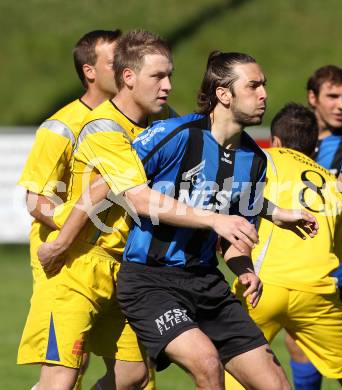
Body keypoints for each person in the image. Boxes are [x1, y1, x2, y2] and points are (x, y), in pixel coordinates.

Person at [36, 32, 267, 390]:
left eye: (170, 75)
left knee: (134, 376)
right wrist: (60, 243)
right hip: (78, 267)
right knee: (63, 375)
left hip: (126, 264)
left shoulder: (162, 122)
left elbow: (212, 187)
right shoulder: (101, 127)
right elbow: (105, 192)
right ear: (128, 77)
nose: (169, 85)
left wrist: (273, 211)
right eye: (159, 76)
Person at [114, 52, 320, 390]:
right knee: (207, 363)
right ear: (223, 94)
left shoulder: (255, 160)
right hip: (150, 281)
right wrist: (213, 220)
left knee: (277, 384)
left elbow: (234, 235)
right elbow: (131, 193)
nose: (264, 94)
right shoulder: (175, 134)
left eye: (264, 85)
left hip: (206, 283)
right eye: (253, 86)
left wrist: (244, 269)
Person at [17, 29, 121, 390]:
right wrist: (77, 221)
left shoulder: (138, 120)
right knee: (67, 371)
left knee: (134, 376)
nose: (126, 68)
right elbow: (36, 200)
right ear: (90, 71)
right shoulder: (61, 126)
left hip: (119, 260)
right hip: (67, 262)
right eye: (115, 61)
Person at [225, 103, 342, 390]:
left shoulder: (262, 160)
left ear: (276, 141)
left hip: (261, 287)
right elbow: (336, 249)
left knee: (234, 372)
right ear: (315, 148)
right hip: (317, 291)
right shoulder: (335, 185)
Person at [285, 65, 342, 390]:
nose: (341, 105)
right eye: (333, 96)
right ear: (313, 98)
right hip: (307, 266)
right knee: (298, 344)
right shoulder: (298, 142)